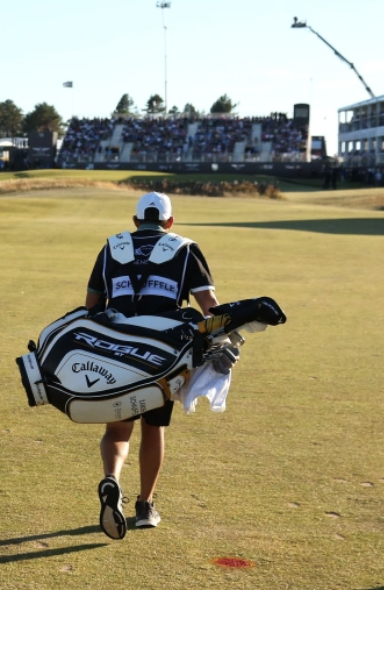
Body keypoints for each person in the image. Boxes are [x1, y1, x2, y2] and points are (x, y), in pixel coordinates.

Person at [84, 192, 230, 539]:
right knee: (154, 427)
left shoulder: (112, 246)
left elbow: (91, 305)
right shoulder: (185, 247)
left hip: (117, 349)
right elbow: (210, 306)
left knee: (117, 429)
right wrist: (225, 339)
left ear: (136, 221)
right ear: (170, 222)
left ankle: (112, 480)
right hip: (162, 352)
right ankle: (145, 506)